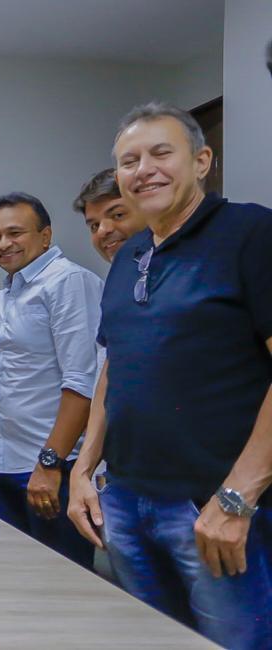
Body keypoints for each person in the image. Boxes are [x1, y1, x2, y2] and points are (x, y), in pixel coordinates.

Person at [67, 102, 272, 649]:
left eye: (162, 152)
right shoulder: (130, 253)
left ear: (202, 160)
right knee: (147, 638)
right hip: (126, 501)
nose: (143, 169)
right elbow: (117, 365)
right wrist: (83, 469)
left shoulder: (251, 232)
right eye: (129, 160)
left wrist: (237, 498)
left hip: (210, 508)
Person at [0, 192, 102, 569]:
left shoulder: (67, 282)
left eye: (15, 233)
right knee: (13, 578)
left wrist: (49, 464)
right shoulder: (12, 289)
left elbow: (82, 382)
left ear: (46, 235)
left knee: (59, 583)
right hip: (5, 463)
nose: (3, 244)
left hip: (48, 467)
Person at [72, 168, 147, 263]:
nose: (102, 231)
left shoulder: (170, 269)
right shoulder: (119, 276)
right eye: (95, 225)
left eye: (118, 215)